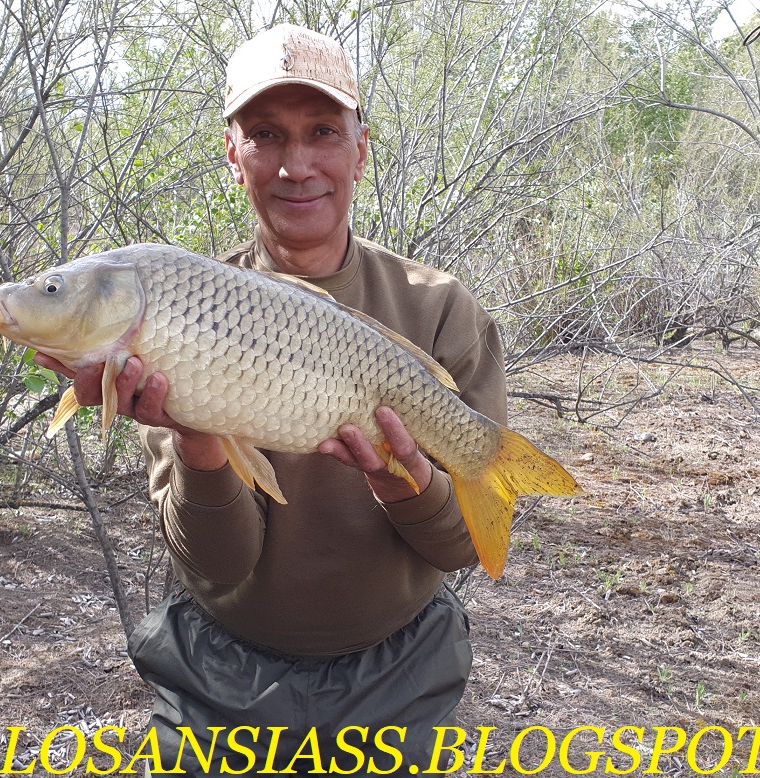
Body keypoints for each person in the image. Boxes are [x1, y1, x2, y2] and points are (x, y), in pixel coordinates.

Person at [35, 23, 507, 776]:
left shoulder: (440, 308)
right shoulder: (174, 315)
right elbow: (220, 565)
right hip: (220, 675)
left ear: (360, 149)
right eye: (265, 135)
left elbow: (459, 551)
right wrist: (199, 440)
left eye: (322, 131)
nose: (296, 165)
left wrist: (404, 481)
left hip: (400, 669)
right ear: (233, 154)